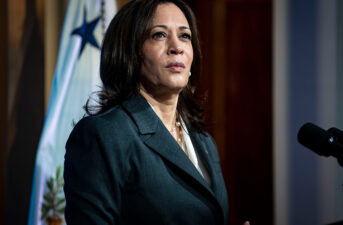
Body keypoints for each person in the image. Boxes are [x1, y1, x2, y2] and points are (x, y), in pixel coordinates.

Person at [64, 0, 249, 224]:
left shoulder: (204, 141)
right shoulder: (104, 134)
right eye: (159, 35)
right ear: (130, 51)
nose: (176, 47)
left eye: (185, 36)